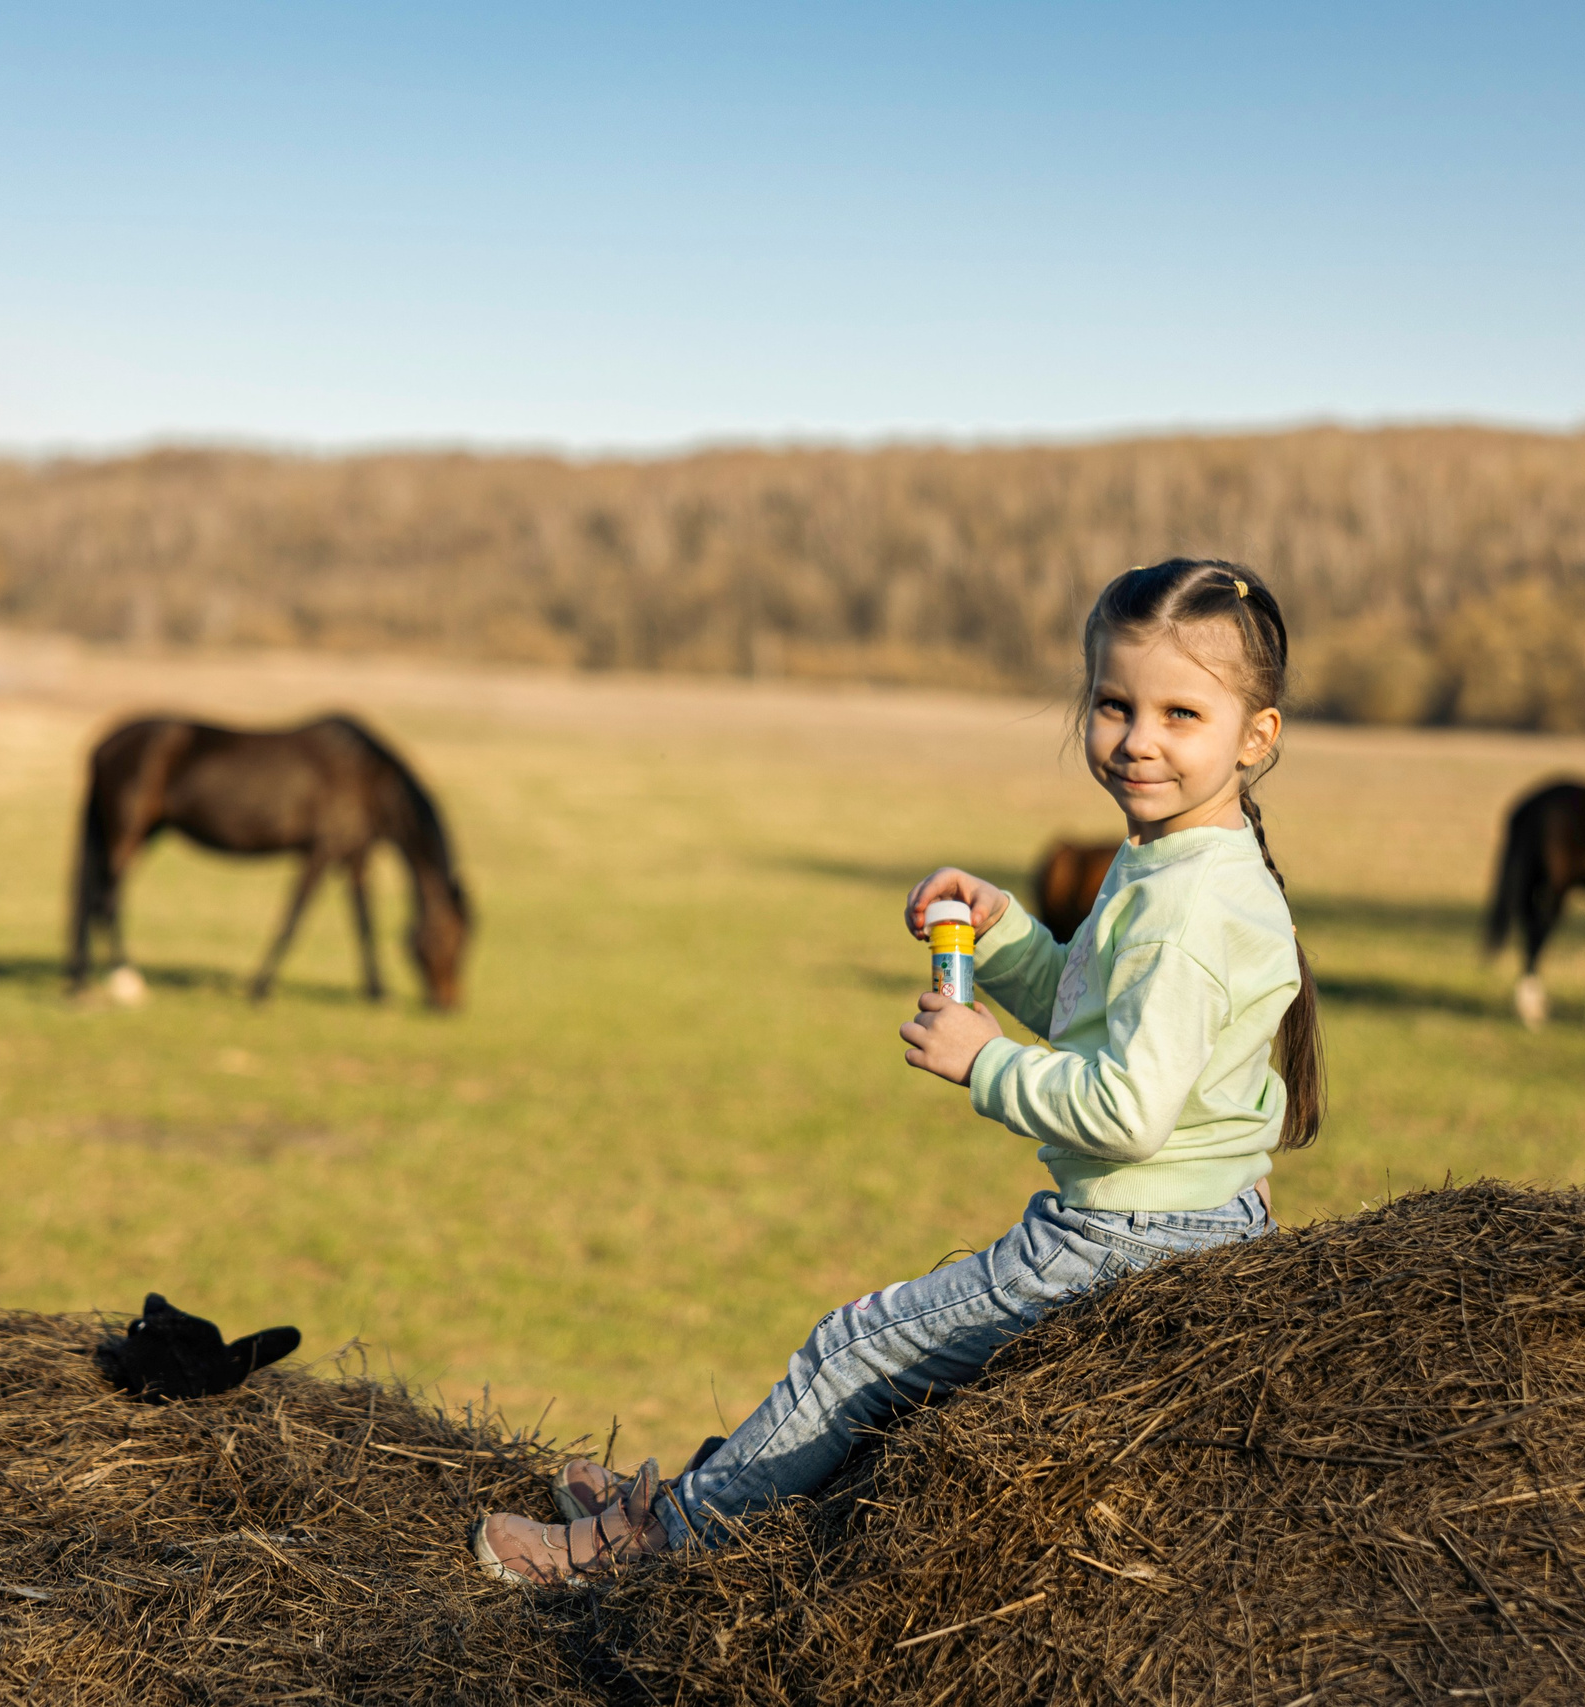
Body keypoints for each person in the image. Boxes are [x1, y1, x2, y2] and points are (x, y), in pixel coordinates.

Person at [471, 558, 1326, 1585]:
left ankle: (653, 1545)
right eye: (1113, 703)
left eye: (1180, 712)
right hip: (1207, 1210)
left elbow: (1129, 1111)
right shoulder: (1180, 864)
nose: (1138, 738)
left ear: (1255, 735)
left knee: (854, 1347)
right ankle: (714, 1488)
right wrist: (1005, 933)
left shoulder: (1186, 905)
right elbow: (1096, 1011)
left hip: (1125, 1230)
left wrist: (985, 1064)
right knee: (873, 1356)